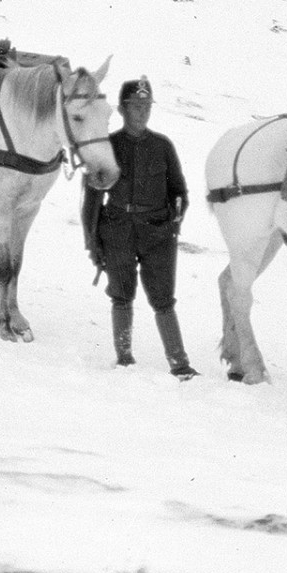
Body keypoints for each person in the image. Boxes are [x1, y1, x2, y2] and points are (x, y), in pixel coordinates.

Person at [81, 77, 199, 379]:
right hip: (118, 229)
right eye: (137, 106)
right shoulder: (108, 147)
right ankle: (124, 359)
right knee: (121, 296)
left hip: (157, 233)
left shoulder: (162, 146)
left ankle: (180, 364)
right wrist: (92, 241)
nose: (143, 111)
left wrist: (176, 216)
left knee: (163, 299)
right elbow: (92, 199)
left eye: (147, 105)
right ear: (122, 109)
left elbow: (180, 191)